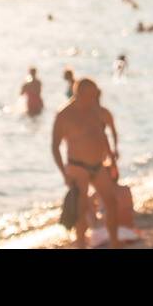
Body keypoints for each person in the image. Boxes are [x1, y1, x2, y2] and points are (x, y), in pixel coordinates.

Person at [51, 78, 122, 248]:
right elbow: (55, 146)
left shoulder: (97, 111)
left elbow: (107, 133)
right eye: (91, 95)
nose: (94, 99)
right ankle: (81, 245)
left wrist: (112, 158)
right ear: (79, 94)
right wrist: (64, 173)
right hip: (77, 167)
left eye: (95, 95)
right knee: (81, 210)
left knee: (112, 203)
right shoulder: (64, 115)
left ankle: (115, 243)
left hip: (98, 165)